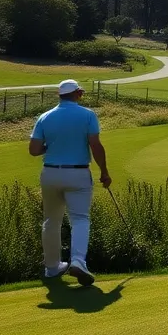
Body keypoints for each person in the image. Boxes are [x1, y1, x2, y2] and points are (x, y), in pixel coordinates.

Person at [28, 79, 111, 288]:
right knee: (80, 219)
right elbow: (96, 146)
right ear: (78, 93)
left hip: (50, 173)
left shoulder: (44, 117)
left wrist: (52, 145)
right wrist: (104, 172)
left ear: (60, 95)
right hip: (78, 173)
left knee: (51, 221)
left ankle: (52, 267)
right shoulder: (87, 115)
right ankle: (77, 262)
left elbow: (34, 150)